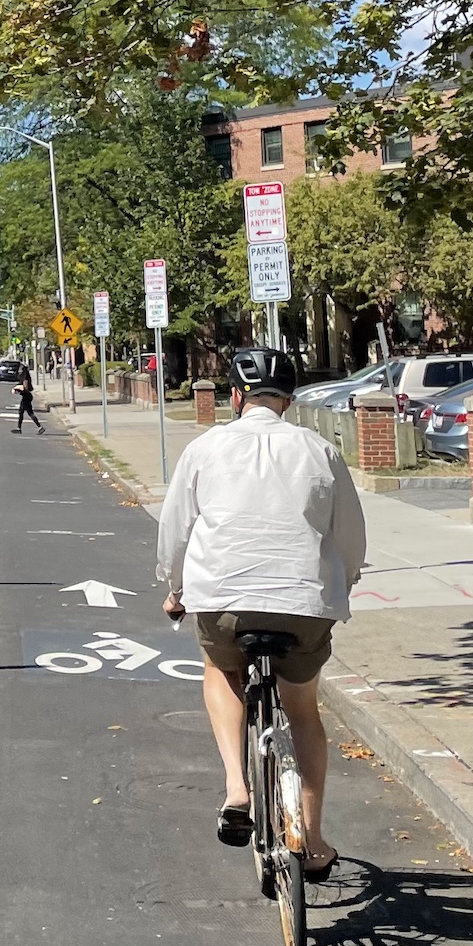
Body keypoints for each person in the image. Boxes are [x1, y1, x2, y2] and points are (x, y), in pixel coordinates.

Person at [158, 344, 366, 871]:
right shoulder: (319, 450)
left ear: (234, 397)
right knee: (303, 712)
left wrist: (175, 588)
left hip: (224, 598)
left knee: (221, 668)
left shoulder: (204, 449)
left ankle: (235, 788)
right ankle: (314, 841)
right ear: (289, 402)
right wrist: (345, 581)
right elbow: (350, 539)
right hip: (303, 603)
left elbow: (176, 531)